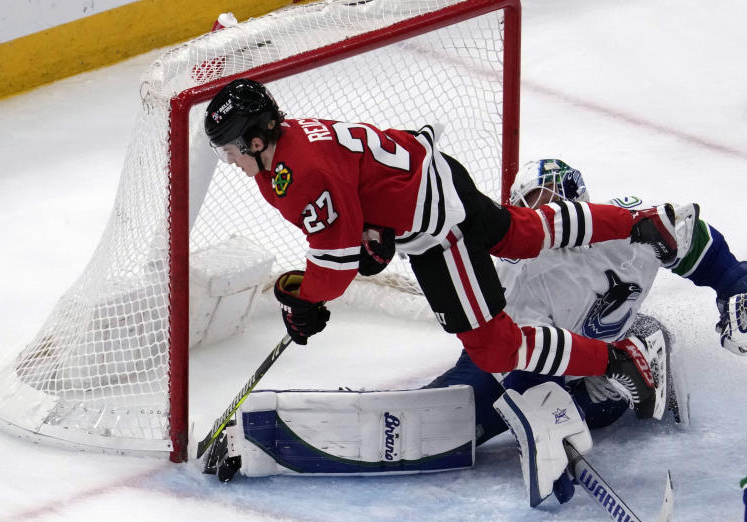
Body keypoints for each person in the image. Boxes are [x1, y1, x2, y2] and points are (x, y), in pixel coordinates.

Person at [203, 78, 698, 421]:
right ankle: (639, 223)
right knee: (521, 234)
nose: (230, 161)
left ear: (254, 138)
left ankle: (618, 360)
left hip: (439, 229)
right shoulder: (293, 142)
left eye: (230, 151)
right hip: (439, 172)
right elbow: (356, 205)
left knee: (495, 347)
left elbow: (334, 269)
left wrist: (305, 299)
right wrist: (369, 238)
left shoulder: (296, 175)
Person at [428, 158, 747, 443]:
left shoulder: (625, 227)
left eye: (551, 204)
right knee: (463, 415)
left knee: (606, 403)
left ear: (578, 202)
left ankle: (642, 341)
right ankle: (634, 347)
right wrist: (546, 418)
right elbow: (522, 355)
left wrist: (734, 282)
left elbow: (689, 235)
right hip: (528, 359)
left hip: (592, 360)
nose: (541, 217)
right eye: (528, 209)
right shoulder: (519, 275)